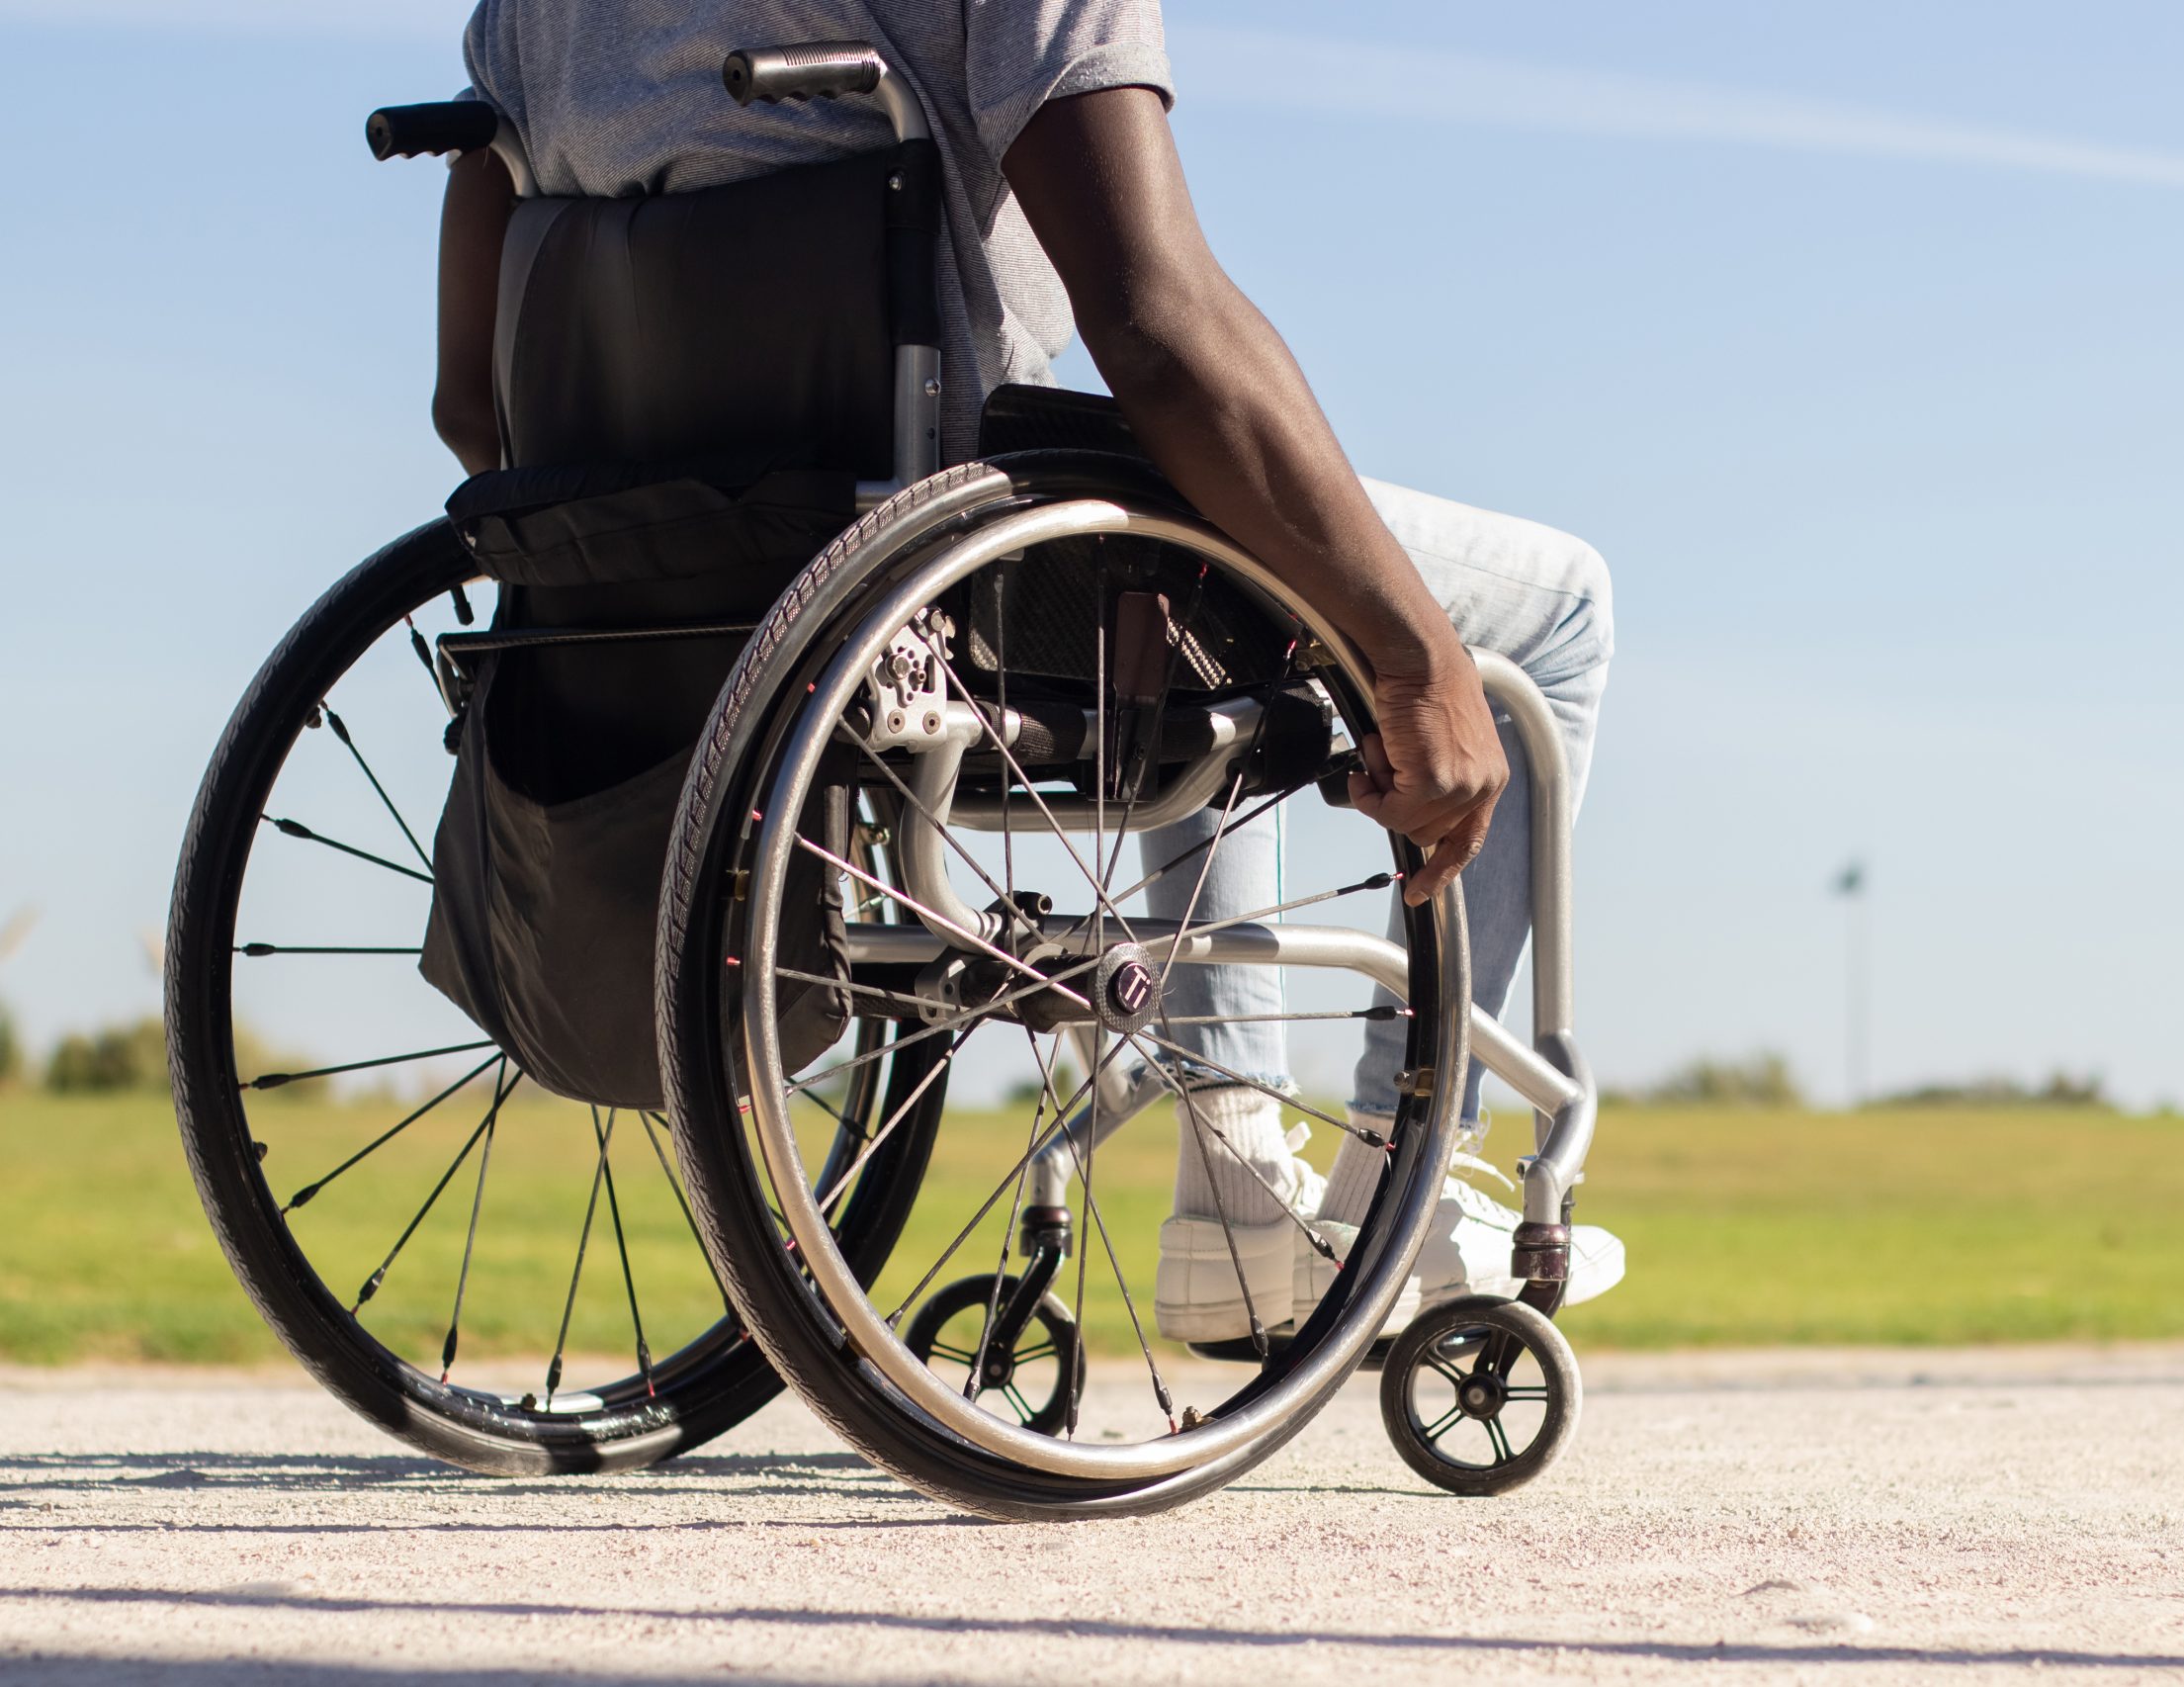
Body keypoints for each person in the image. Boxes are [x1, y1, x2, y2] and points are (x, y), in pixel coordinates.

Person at [438, 0, 1623, 1339]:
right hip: (957, 550)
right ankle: (1387, 1172)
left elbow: (472, 406)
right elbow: (1159, 320)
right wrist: (1411, 653)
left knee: (1195, 551)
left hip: (652, 583)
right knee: (1550, 605)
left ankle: (1240, 1156)